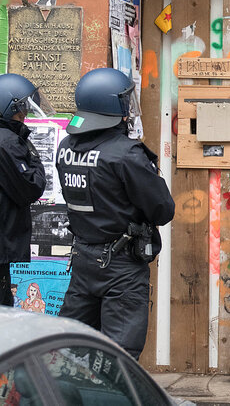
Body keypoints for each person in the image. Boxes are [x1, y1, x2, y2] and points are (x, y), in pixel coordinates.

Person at [57, 68, 175, 360]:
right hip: (120, 266)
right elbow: (163, 209)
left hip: (83, 258)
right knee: (119, 357)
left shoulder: (65, 148)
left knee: (72, 348)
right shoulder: (125, 155)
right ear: (113, 107)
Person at [0, 73, 46, 307]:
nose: (25, 115)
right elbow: (31, 186)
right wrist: (34, 156)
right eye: (21, 110)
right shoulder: (7, 142)